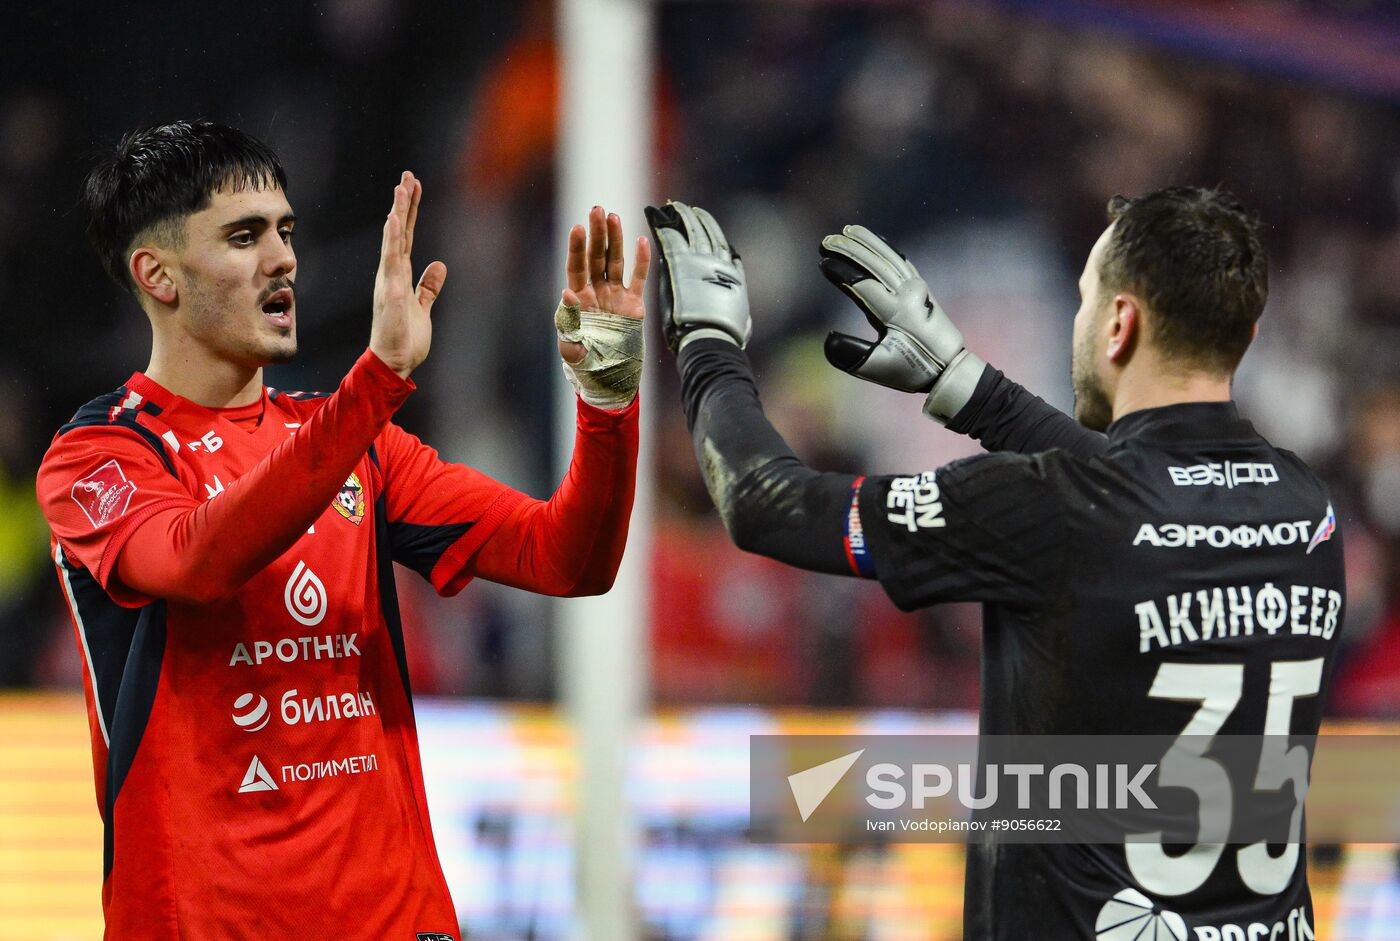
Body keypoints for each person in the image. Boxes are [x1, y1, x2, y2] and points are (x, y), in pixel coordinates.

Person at [647, 189, 1343, 939]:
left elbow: (762, 502)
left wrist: (707, 345)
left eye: (1084, 299)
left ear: (1119, 323)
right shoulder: (1307, 507)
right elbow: (1141, 498)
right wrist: (970, 388)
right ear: (1245, 330)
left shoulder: (1052, 510)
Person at [36, 120, 649, 940]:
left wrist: (606, 402)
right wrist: (377, 383)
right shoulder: (101, 455)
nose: (283, 258)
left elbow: (569, 558)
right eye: (244, 236)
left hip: (395, 921)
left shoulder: (357, 443)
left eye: (285, 231)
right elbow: (196, 559)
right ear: (158, 274)